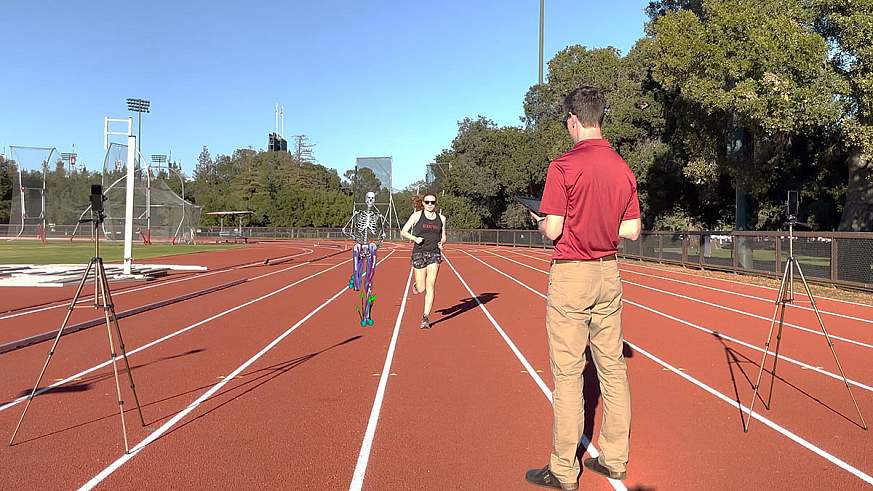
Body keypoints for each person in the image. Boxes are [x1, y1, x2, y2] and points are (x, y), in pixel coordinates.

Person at [524, 86, 641, 491]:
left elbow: (553, 228)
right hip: (609, 273)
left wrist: (541, 220)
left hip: (572, 273)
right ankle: (615, 458)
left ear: (573, 118)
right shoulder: (623, 169)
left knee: (570, 374)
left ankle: (563, 469)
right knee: (612, 367)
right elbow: (632, 230)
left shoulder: (563, 166)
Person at [400, 192, 446, 329]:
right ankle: (416, 286)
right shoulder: (417, 216)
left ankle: (425, 317)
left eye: (433, 202)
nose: (430, 205)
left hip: (434, 254)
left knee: (430, 285)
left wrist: (441, 242)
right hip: (419, 253)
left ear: (436, 203)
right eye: (427, 202)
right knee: (421, 288)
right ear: (423, 203)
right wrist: (415, 239)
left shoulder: (441, 218)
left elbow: (443, 235)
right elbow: (403, 231)